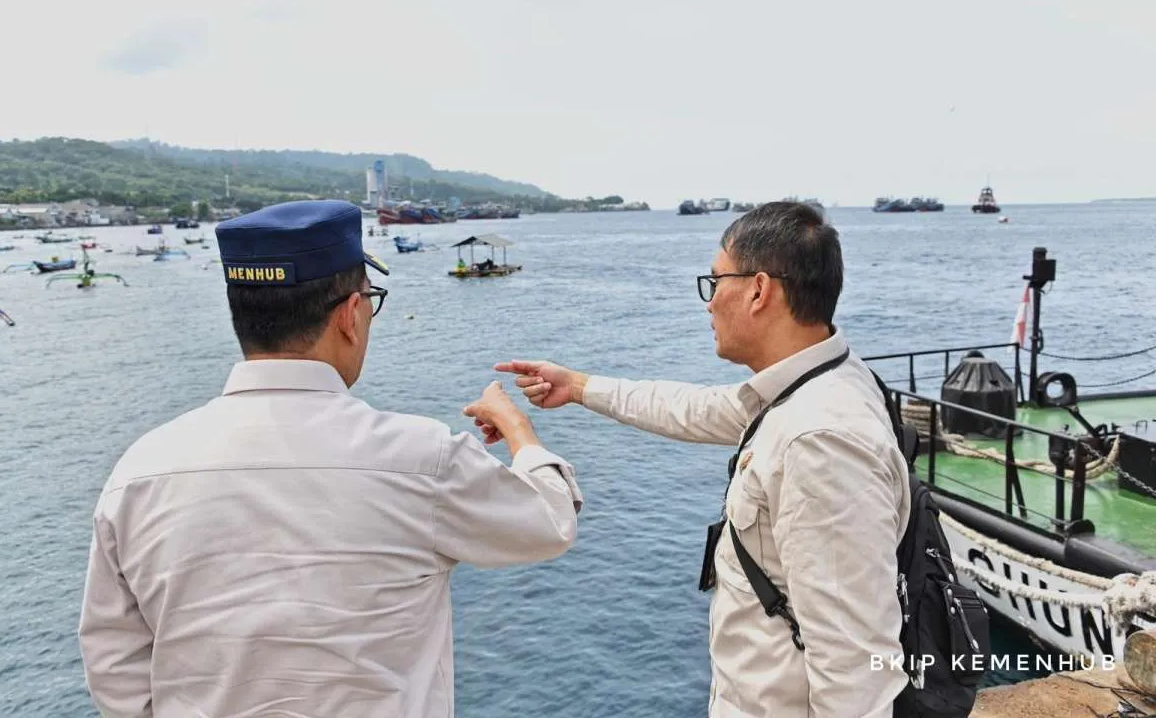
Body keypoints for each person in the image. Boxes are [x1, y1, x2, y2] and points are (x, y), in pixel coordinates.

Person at [78, 199, 583, 718]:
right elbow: (548, 522)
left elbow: (115, 668)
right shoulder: (421, 458)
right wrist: (519, 430)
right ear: (349, 315)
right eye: (371, 301)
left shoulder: (140, 471)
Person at [495, 201, 910, 718]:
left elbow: (855, 667)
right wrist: (578, 386)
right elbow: (698, 409)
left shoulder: (819, 441)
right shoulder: (817, 382)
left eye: (715, 281)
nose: (709, 302)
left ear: (759, 290)